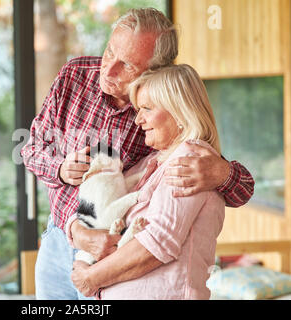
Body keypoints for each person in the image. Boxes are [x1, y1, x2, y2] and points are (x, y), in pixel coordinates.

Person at [20, 8, 254, 300]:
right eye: (109, 52)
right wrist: (60, 172)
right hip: (60, 239)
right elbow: (31, 149)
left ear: (155, 71)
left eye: (127, 65)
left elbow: (236, 189)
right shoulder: (75, 75)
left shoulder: (161, 111)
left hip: (113, 252)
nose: (109, 69)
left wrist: (222, 172)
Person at [71, 64, 226, 299]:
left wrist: (89, 278)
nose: (138, 120)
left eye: (147, 109)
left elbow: (156, 245)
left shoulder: (191, 161)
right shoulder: (151, 163)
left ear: (180, 111)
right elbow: (98, 206)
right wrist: (77, 231)